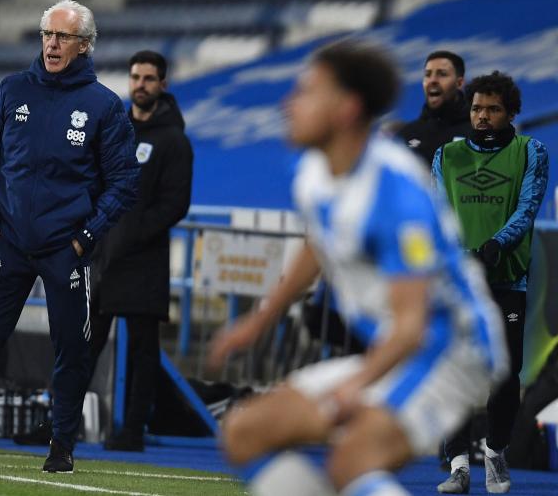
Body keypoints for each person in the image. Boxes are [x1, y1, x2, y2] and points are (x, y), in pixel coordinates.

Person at [207, 40, 509, 496]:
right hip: (397, 346)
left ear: (346, 110)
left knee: (352, 462)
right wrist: (259, 321)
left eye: (307, 92)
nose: (290, 103)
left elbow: (414, 325)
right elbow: (318, 241)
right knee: (244, 432)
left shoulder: (394, 193)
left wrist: (360, 384)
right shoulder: (314, 167)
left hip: (451, 350)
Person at [0, 0, 139, 474]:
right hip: (11, 244)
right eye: (46, 34)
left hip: (68, 248)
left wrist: (86, 237)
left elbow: (124, 182)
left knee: (71, 348)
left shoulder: (103, 106)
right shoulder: (11, 91)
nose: (51, 44)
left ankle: (61, 446)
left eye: (62, 37)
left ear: (84, 46)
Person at [434, 70, 548, 494]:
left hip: (507, 279)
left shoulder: (530, 151)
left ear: (510, 112)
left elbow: (528, 206)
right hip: (457, 281)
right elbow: (436, 210)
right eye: (477, 108)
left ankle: (496, 450)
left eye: (493, 109)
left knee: (504, 374)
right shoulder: (448, 156)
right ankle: (459, 463)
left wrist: (496, 245)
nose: (482, 116)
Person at [88, 50, 193, 452]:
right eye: (135, 77)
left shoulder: (174, 140)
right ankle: (55, 424)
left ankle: (133, 430)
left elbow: (175, 204)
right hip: (105, 259)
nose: (141, 85)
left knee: (143, 351)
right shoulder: (115, 132)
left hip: (145, 260)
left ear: (162, 85)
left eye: (149, 79)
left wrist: (132, 233)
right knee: (83, 345)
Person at [397, 51, 471, 166]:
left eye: (442, 74)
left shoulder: (480, 132)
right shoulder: (406, 134)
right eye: (428, 74)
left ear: (459, 83)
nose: (432, 80)